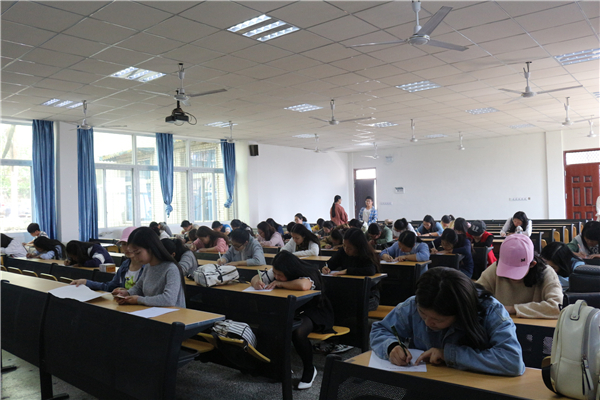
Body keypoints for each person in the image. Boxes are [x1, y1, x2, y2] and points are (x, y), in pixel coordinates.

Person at [370, 267, 525, 376]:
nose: (427, 323)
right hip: (426, 382)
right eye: (423, 314)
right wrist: (391, 346)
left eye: (438, 320)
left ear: (460, 313)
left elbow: (512, 361)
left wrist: (448, 354)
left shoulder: (490, 310)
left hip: (474, 387)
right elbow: (380, 329)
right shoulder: (414, 304)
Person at [250, 251, 334, 389]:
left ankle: (309, 369)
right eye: (275, 273)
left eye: (280, 275)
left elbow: (303, 285)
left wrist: (280, 284)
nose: (276, 276)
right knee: (268, 325)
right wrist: (256, 283)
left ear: (289, 270)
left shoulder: (309, 272)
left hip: (314, 311)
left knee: (298, 331)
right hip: (293, 310)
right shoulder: (278, 272)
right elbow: (255, 277)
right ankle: (277, 367)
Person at [476, 234, 563, 319]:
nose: (511, 276)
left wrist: (512, 309)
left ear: (532, 264)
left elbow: (557, 306)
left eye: (517, 271)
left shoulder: (547, 273)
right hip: (500, 325)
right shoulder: (494, 269)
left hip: (533, 326)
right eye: (507, 269)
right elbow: (474, 296)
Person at [112, 227, 186, 308]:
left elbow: (169, 299)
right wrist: (127, 293)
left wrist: (139, 300)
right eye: (133, 253)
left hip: (173, 313)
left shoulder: (171, 268)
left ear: (150, 248)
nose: (135, 257)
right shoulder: (148, 266)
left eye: (137, 253)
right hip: (153, 311)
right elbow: (139, 287)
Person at [323, 228, 381, 311]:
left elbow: (370, 270)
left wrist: (347, 271)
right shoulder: (343, 251)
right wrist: (326, 267)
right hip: (349, 292)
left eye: (350, 248)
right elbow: (331, 263)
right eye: (344, 246)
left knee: (349, 306)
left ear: (358, 247)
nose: (346, 250)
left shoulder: (366, 254)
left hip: (369, 295)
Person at [71, 227, 146, 292]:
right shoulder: (125, 265)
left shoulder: (148, 267)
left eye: (130, 244)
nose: (127, 248)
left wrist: (128, 293)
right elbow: (110, 286)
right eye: (123, 244)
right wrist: (86, 282)